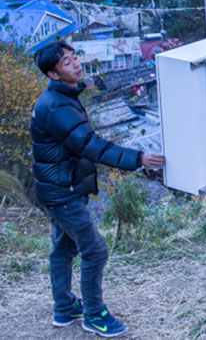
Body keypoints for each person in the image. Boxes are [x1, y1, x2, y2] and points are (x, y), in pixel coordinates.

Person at [31, 41, 165, 337]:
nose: (76, 63)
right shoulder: (55, 106)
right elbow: (89, 145)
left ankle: (65, 308)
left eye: (74, 57)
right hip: (61, 192)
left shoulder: (62, 97)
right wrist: (138, 159)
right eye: (67, 62)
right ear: (53, 74)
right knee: (95, 250)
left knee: (63, 248)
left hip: (59, 188)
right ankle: (94, 314)